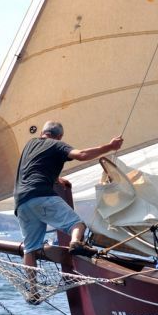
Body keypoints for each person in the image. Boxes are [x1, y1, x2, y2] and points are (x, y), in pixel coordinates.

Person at [14, 121, 123, 301]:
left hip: (21, 202)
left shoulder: (30, 144)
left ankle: (32, 291)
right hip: (41, 195)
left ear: (42, 133)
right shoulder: (56, 145)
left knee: (30, 249)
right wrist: (110, 147)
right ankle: (75, 243)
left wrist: (56, 179)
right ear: (59, 136)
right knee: (77, 225)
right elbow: (81, 154)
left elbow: (36, 165)